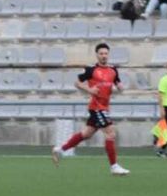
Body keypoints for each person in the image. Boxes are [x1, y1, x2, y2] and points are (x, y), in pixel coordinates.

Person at [52, 43, 129, 176]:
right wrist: (89, 89)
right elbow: (77, 83)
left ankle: (60, 150)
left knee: (86, 134)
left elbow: (119, 84)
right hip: (97, 107)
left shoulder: (113, 70)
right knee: (110, 133)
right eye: (101, 53)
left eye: (106, 53)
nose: (104, 56)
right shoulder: (91, 70)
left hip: (104, 107)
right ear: (97, 55)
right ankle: (114, 166)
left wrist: (121, 88)